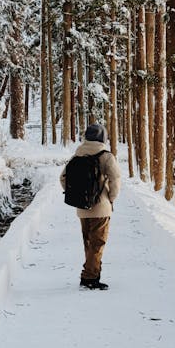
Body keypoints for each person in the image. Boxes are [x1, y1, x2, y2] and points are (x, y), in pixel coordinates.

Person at [60, 123, 121, 290]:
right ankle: (89, 278)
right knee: (98, 243)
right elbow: (115, 179)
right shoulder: (106, 156)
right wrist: (110, 198)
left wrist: (76, 194)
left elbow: (63, 178)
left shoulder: (77, 155)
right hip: (101, 208)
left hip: (82, 208)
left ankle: (90, 274)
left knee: (88, 242)